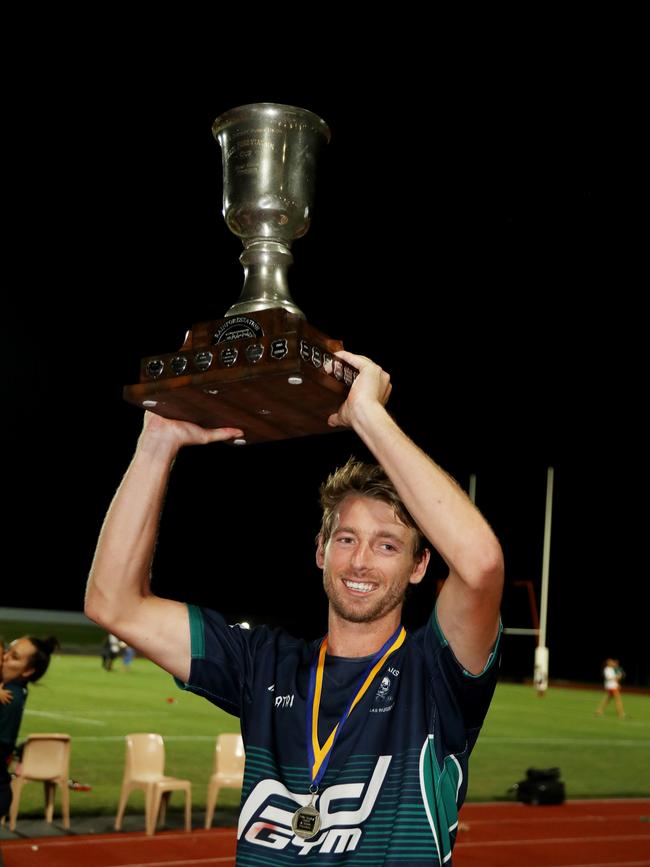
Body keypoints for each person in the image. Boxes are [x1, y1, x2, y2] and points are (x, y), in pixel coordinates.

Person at [85, 350, 504, 863]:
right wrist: (157, 442)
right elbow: (113, 603)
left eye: (388, 545)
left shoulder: (437, 674)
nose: (361, 561)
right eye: (346, 539)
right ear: (320, 551)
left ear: (419, 566)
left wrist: (368, 416)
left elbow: (481, 566)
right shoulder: (264, 663)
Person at [0, 636, 58, 820]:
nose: (5, 658)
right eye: (7, 650)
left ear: (27, 671)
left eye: (14, 657)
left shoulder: (9, 698)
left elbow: (2, 745)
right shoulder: (10, 689)